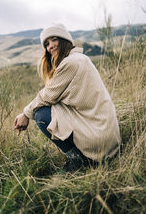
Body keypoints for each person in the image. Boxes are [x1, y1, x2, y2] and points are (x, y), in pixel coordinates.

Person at [14, 24, 121, 172]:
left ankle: (80, 161)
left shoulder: (70, 62)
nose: (50, 46)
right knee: (53, 109)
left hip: (99, 139)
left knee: (42, 114)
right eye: (46, 44)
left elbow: (47, 95)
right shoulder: (79, 58)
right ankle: (82, 157)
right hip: (106, 134)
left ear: (64, 39)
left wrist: (26, 113)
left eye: (54, 40)